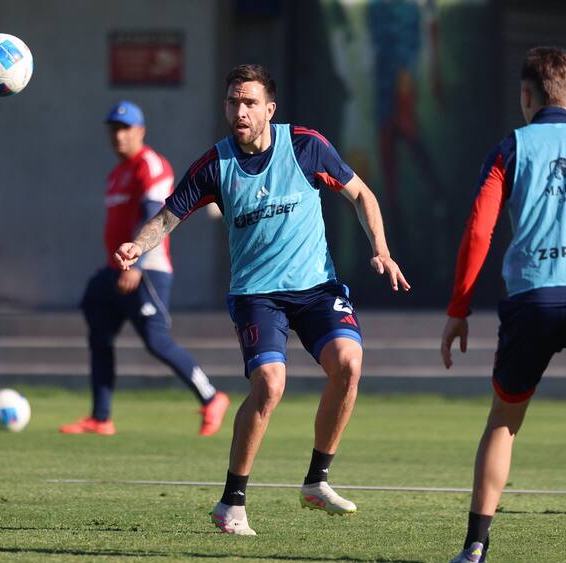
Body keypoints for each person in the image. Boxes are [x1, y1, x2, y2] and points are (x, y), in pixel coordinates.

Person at [115, 65, 409, 535]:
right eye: (233, 102)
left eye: (250, 102)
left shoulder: (307, 146)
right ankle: (232, 503)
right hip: (257, 295)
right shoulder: (214, 164)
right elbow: (168, 216)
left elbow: (361, 194)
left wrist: (381, 250)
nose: (240, 111)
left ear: (270, 110)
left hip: (316, 289)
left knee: (350, 363)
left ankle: (317, 480)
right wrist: (139, 244)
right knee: (270, 384)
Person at [440, 46, 566, 563]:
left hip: (532, 299)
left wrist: (460, 307)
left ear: (526, 96)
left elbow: (479, 230)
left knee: (504, 422)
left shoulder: (511, 147)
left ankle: (475, 546)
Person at [60, 100, 230, 437]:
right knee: (98, 328)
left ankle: (211, 397)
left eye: (125, 129)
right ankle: (101, 417)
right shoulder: (116, 173)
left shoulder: (149, 165)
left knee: (156, 341)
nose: (118, 136)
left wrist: (137, 265)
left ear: (141, 131)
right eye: (114, 130)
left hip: (145, 270)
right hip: (115, 269)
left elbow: (155, 216)